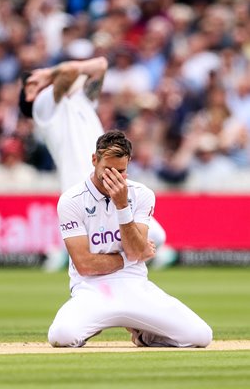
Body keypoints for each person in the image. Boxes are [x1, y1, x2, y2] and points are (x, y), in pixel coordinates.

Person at [48, 130, 213, 348]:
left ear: (129, 164)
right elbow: (85, 265)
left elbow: (135, 251)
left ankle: (144, 336)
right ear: (94, 160)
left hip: (135, 285)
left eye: (121, 171)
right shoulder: (71, 200)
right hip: (92, 289)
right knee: (61, 336)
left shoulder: (142, 194)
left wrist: (122, 206)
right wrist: (129, 258)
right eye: (107, 170)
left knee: (200, 336)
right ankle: (91, 326)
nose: (114, 178)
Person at [19, 56, 166, 260]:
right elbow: (69, 72)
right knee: (144, 240)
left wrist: (49, 74)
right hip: (83, 189)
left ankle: (82, 260)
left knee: (156, 236)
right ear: (29, 94)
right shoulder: (42, 108)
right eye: (33, 82)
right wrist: (48, 76)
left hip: (106, 178)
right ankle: (87, 263)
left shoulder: (80, 99)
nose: (43, 78)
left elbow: (101, 65)